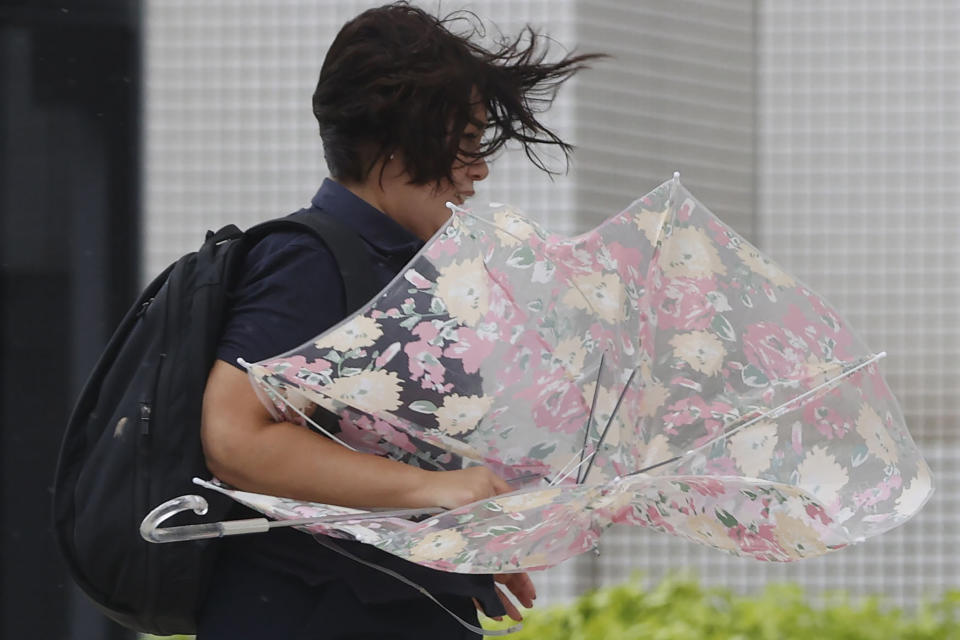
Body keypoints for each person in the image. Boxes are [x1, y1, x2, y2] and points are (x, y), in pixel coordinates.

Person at [198, 3, 600, 638]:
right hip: (309, 609)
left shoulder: (398, 265)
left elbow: (365, 450)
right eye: (466, 145)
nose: (479, 170)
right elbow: (236, 438)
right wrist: (430, 491)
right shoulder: (310, 258)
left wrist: (460, 549)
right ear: (394, 148)